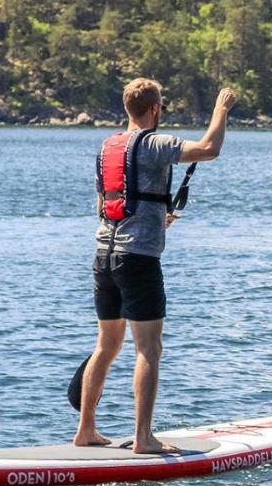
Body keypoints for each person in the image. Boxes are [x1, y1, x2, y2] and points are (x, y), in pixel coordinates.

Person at [74, 78, 236, 453]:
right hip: (139, 259)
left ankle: (86, 430)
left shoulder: (107, 147)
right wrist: (220, 110)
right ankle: (144, 438)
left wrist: (155, 214)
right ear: (154, 110)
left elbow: (107, 206)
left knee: (106, 346)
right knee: (148, 348)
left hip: (104, 257)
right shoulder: (155, 143)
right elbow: (209, 148)